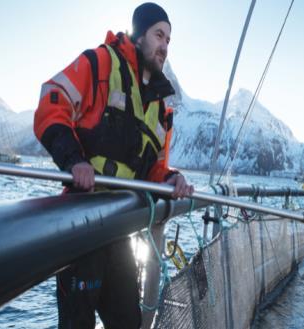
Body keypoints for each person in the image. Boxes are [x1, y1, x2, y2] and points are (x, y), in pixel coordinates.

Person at [33, 3, 193, 328]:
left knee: (128, 322)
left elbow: (155, 169)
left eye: (168, 40)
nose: (164, 46)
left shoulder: (162, 109)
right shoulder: (100, 63)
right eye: (158, 35)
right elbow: (52, 99)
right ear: (139, 36)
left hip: (120, 232)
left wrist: (172, 179)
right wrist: (74, 161)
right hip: (80, 224)